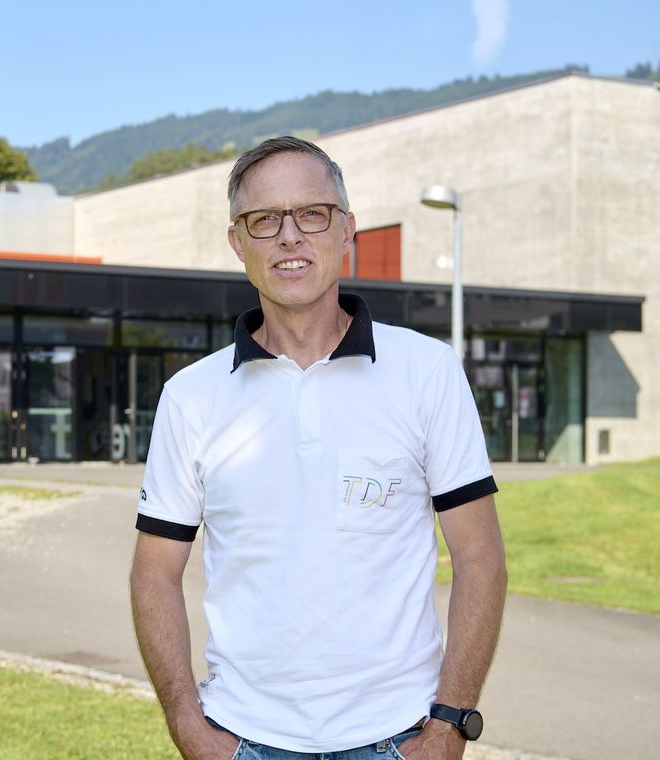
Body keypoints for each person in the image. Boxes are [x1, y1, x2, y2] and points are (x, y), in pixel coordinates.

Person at [130, 136, 507, 760]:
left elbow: (480, 557)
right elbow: (154, 574)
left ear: (346, 230)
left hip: (398, 735)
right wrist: (187, 725)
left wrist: (449, 726)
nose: (289, 236)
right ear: (237, 243)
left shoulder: (427, 370)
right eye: (263, 220)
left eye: (312, 213)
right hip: (243, 738)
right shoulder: (190, 397)